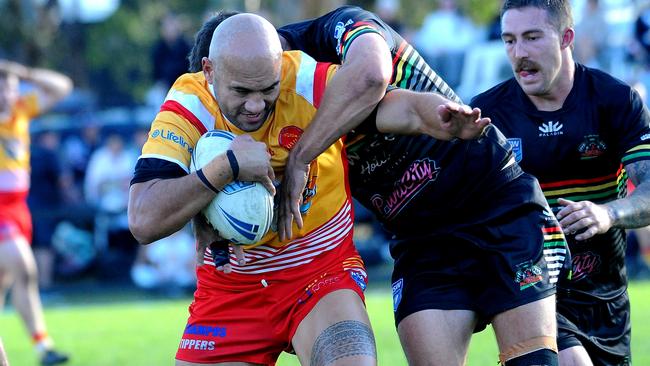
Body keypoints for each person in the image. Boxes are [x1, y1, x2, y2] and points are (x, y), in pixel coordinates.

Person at [184, 5, 571, 366]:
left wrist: (302, 155)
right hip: (421, 239)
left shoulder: (335, 32)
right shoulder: (256, 112)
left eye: (260, 88)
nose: (252, 107)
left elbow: (371, 77)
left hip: (493, 201)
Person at [129, 12, 486, 366]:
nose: (256, 105)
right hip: (232, 287)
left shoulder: (301, 77)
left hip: (320, 270)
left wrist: (437, 114)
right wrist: (225, 168)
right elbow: (143, 220)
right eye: (241, 91)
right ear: (209, 71)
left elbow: (397, 107)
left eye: (267, 88)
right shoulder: (187, 105)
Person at [471, 1, 650, 365]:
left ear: (566, 37)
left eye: (532, 37)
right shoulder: (488, 115)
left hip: (605, 296)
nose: (519, 53)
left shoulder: (614, 100)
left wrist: (608, 214)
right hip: (529, 286)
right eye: (509, 40)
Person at [0, 60, 71, 365]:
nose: (9, 93)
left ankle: (38, 350)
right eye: (3, 87)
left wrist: (24, 72)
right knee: (24, 267)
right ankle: (44, 346)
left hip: (18, 207)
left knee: (7, 282)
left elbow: (62, 87)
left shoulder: (19, 110)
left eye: (13, 87)